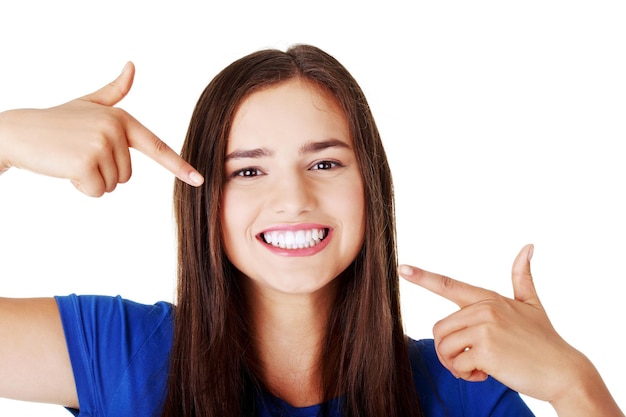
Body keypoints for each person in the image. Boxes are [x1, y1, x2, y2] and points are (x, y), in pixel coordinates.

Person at [0, 44, 622, 417]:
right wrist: (3, 140)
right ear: (205, 202)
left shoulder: (464, 392)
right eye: (248, 170)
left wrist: (574, 383)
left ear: (369, 187)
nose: (292, 198)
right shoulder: (120, 350)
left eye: (324, 163)